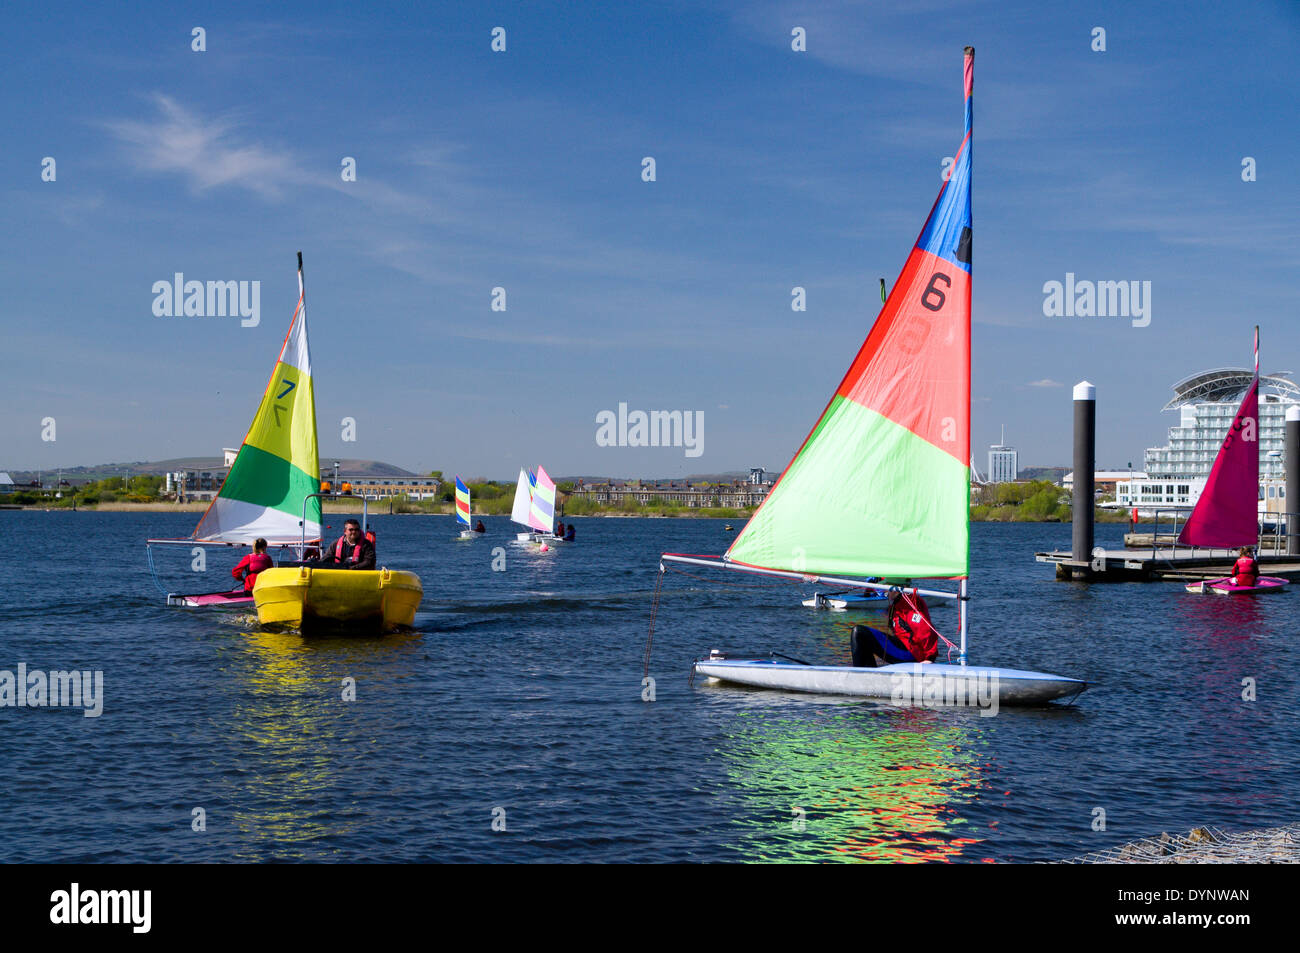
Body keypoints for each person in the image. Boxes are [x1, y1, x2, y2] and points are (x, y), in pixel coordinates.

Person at [849, 586, 937, 668]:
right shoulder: (896, 604)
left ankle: (864, 674)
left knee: (859, 633)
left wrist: (929, 658)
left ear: (895, 590)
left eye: (886, 590)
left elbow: (926, 630)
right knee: (863, 636)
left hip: (910, 654)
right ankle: (867, 674)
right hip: (903, 647)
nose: (884, 592)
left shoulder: (909, 603)